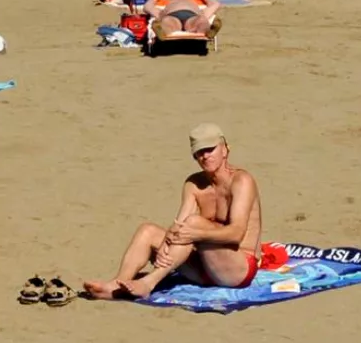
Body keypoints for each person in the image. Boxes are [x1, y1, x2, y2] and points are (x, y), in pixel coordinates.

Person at [83, 123, 262, 300]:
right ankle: (117, 285)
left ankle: (149, 283)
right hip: (204, 269)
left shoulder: (241, 181)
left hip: (237, 269)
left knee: (193, 224)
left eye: (210, 149)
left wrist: (196, 234)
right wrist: (165, 246)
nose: (205, 156)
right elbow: (178, 226)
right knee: (148, 231)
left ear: (225, 149)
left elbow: (236, 234)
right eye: (199, 152)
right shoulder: (194, 184)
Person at [145, 0, 224, 43]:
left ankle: (163, 30)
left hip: (172, 14)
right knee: (202, 21)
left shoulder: (167, 1)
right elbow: (216, 4)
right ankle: (207, 30)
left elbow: (147, 7)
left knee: (167, 23)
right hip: (192, 14)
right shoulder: (194, 0)